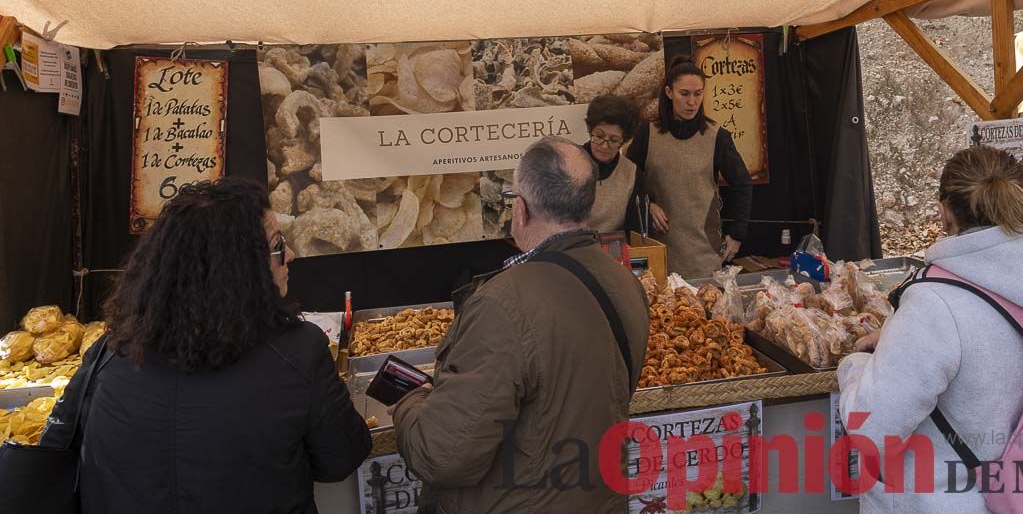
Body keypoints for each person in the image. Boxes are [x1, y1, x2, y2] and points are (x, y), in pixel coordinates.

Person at [41, 178, 371, 514]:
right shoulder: (299, 351)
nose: (290, 254)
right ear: (239, 268)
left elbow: (54, 446)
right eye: (277, 244)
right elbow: (340, 460)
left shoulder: (109, 353)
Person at [391, 136, 650, 514]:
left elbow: (444, 456)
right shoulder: (626, 282)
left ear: (521, 210)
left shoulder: (503, 304)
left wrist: (409, 403)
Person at [838, 146, 1023, 513]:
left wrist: (855, 366)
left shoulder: (936, 302)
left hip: (946, 499)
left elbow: (873, 430)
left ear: (944, 212)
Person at [626, 57, 752, 279]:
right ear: (668, 92)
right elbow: (626, 179)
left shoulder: (717, 136)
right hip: (654, 248)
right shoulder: (647, 133)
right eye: (684, 94)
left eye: (698, 93)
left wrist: (737, 234)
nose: (692, 102)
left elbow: (742, 183)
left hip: (702, 253)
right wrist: (648, 202)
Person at [581, 94, 645, 235]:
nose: (604, 146)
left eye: (614, 140)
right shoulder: (568, 163)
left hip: (615, 253)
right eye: (599, 136)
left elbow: (635, 231)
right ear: (590, 131)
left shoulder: (631, 173)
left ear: (624, 141)